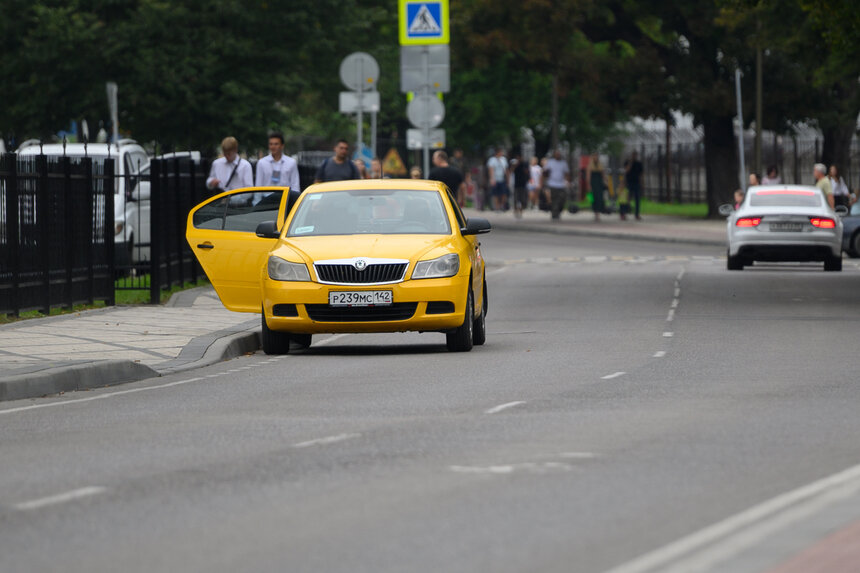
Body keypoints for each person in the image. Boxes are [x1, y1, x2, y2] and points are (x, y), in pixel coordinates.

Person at [543, 149, 571, 221]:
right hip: (552, 183)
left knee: (562, 199)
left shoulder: (563, 163)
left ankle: (558, 211)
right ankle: (554, 214)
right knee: (554, 199)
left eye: (559, 154)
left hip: (561, 184)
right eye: (556, 154)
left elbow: (567, 173)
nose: (558, 155)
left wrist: (568, 182)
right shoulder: (550, 162)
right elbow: (545, 172)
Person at [586, 152, 608, 221]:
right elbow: (588, 177)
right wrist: (589, 185)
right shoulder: (590, 166)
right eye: (594, 156)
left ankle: (598, 213)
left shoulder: (600, 165)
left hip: (599, 184)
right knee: (593, 199)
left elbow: (603, 175)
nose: (596, 157)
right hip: (593, 184)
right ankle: (595, 213)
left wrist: (606, 181)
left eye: (597, 156)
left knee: (600, 198)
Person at [624, 151, 644, 220]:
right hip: (629, 182)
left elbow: (641, 174)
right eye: (633, 155)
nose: (634, 156)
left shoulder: (639, 164)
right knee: (627, 199)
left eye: (635, 155)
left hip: (636, 183)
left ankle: (637, 214)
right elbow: (626, 170)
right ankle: (625, 213)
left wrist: (642, 183)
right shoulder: (627, 162)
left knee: (637, 199)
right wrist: (630, 163)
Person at [511, 154, 530, 218]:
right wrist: (516, 165)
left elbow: (527, 172)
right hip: (516, 184)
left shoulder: (525, 164)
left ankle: (521, 210)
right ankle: (516, 210)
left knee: (523, 199)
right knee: (516, 198)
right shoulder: (515, 164)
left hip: (523, 184)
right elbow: (511, 171)